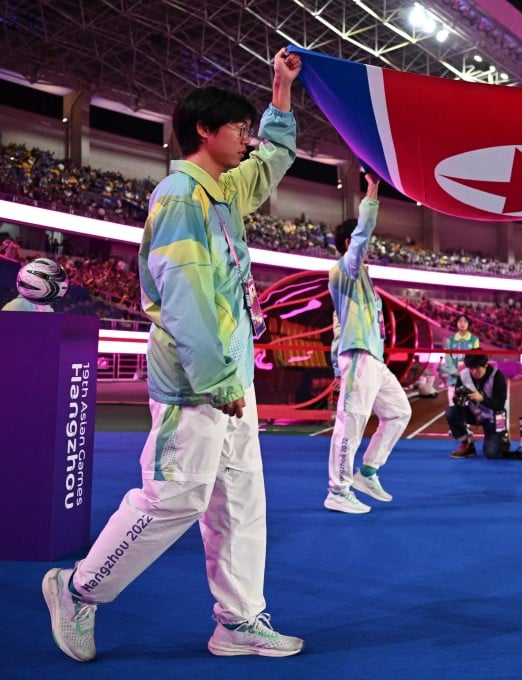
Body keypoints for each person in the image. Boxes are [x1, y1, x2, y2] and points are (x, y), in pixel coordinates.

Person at [41, 49, 305, 663]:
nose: (247, 138)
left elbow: (274, 160)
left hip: (231, 378)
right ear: (204, 132)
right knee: (174, 498)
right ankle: (79, 589)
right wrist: (216, 377)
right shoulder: (183, 197)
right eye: (238, 128)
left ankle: (239, 619)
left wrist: (280, 90)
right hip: (197, 382)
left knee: (240, 499)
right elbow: (184, 298)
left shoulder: (220, 192)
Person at [325, 172, 412, 513]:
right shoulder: (343, 269)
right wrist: (373, 192)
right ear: (349, 243)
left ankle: (368, 471)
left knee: (399, 413)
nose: (369, 247)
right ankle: (338, 489)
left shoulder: (363, 279)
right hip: (359, 356)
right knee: (352, 423)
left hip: (374, 360)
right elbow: (361, 238)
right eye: (362, 242)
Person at [446, 353, 509, 459]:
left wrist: (481, 398)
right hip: (474, 412)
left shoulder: (497, 376)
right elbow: (456, 400)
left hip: (495, 416)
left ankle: (503, 437)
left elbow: (500, 405)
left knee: (492, 454)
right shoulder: (463, 375)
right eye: (471, 369)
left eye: (477, 369)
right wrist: (459, 398)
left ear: (485, 365)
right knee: (451, 412)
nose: (474, 372)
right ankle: (467, 444)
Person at [443, 314, 481, 406]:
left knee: (468, 409)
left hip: (469, 379)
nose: (462, 323)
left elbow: (475, 359)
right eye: (460, 321)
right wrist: (455, 371)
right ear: (456, 323)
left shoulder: (474, 340)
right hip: (453, 379)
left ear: (468, 324)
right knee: (453, 407)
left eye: (465, 321)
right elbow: (448, 358)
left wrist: (466, 372)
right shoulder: (450, 340)